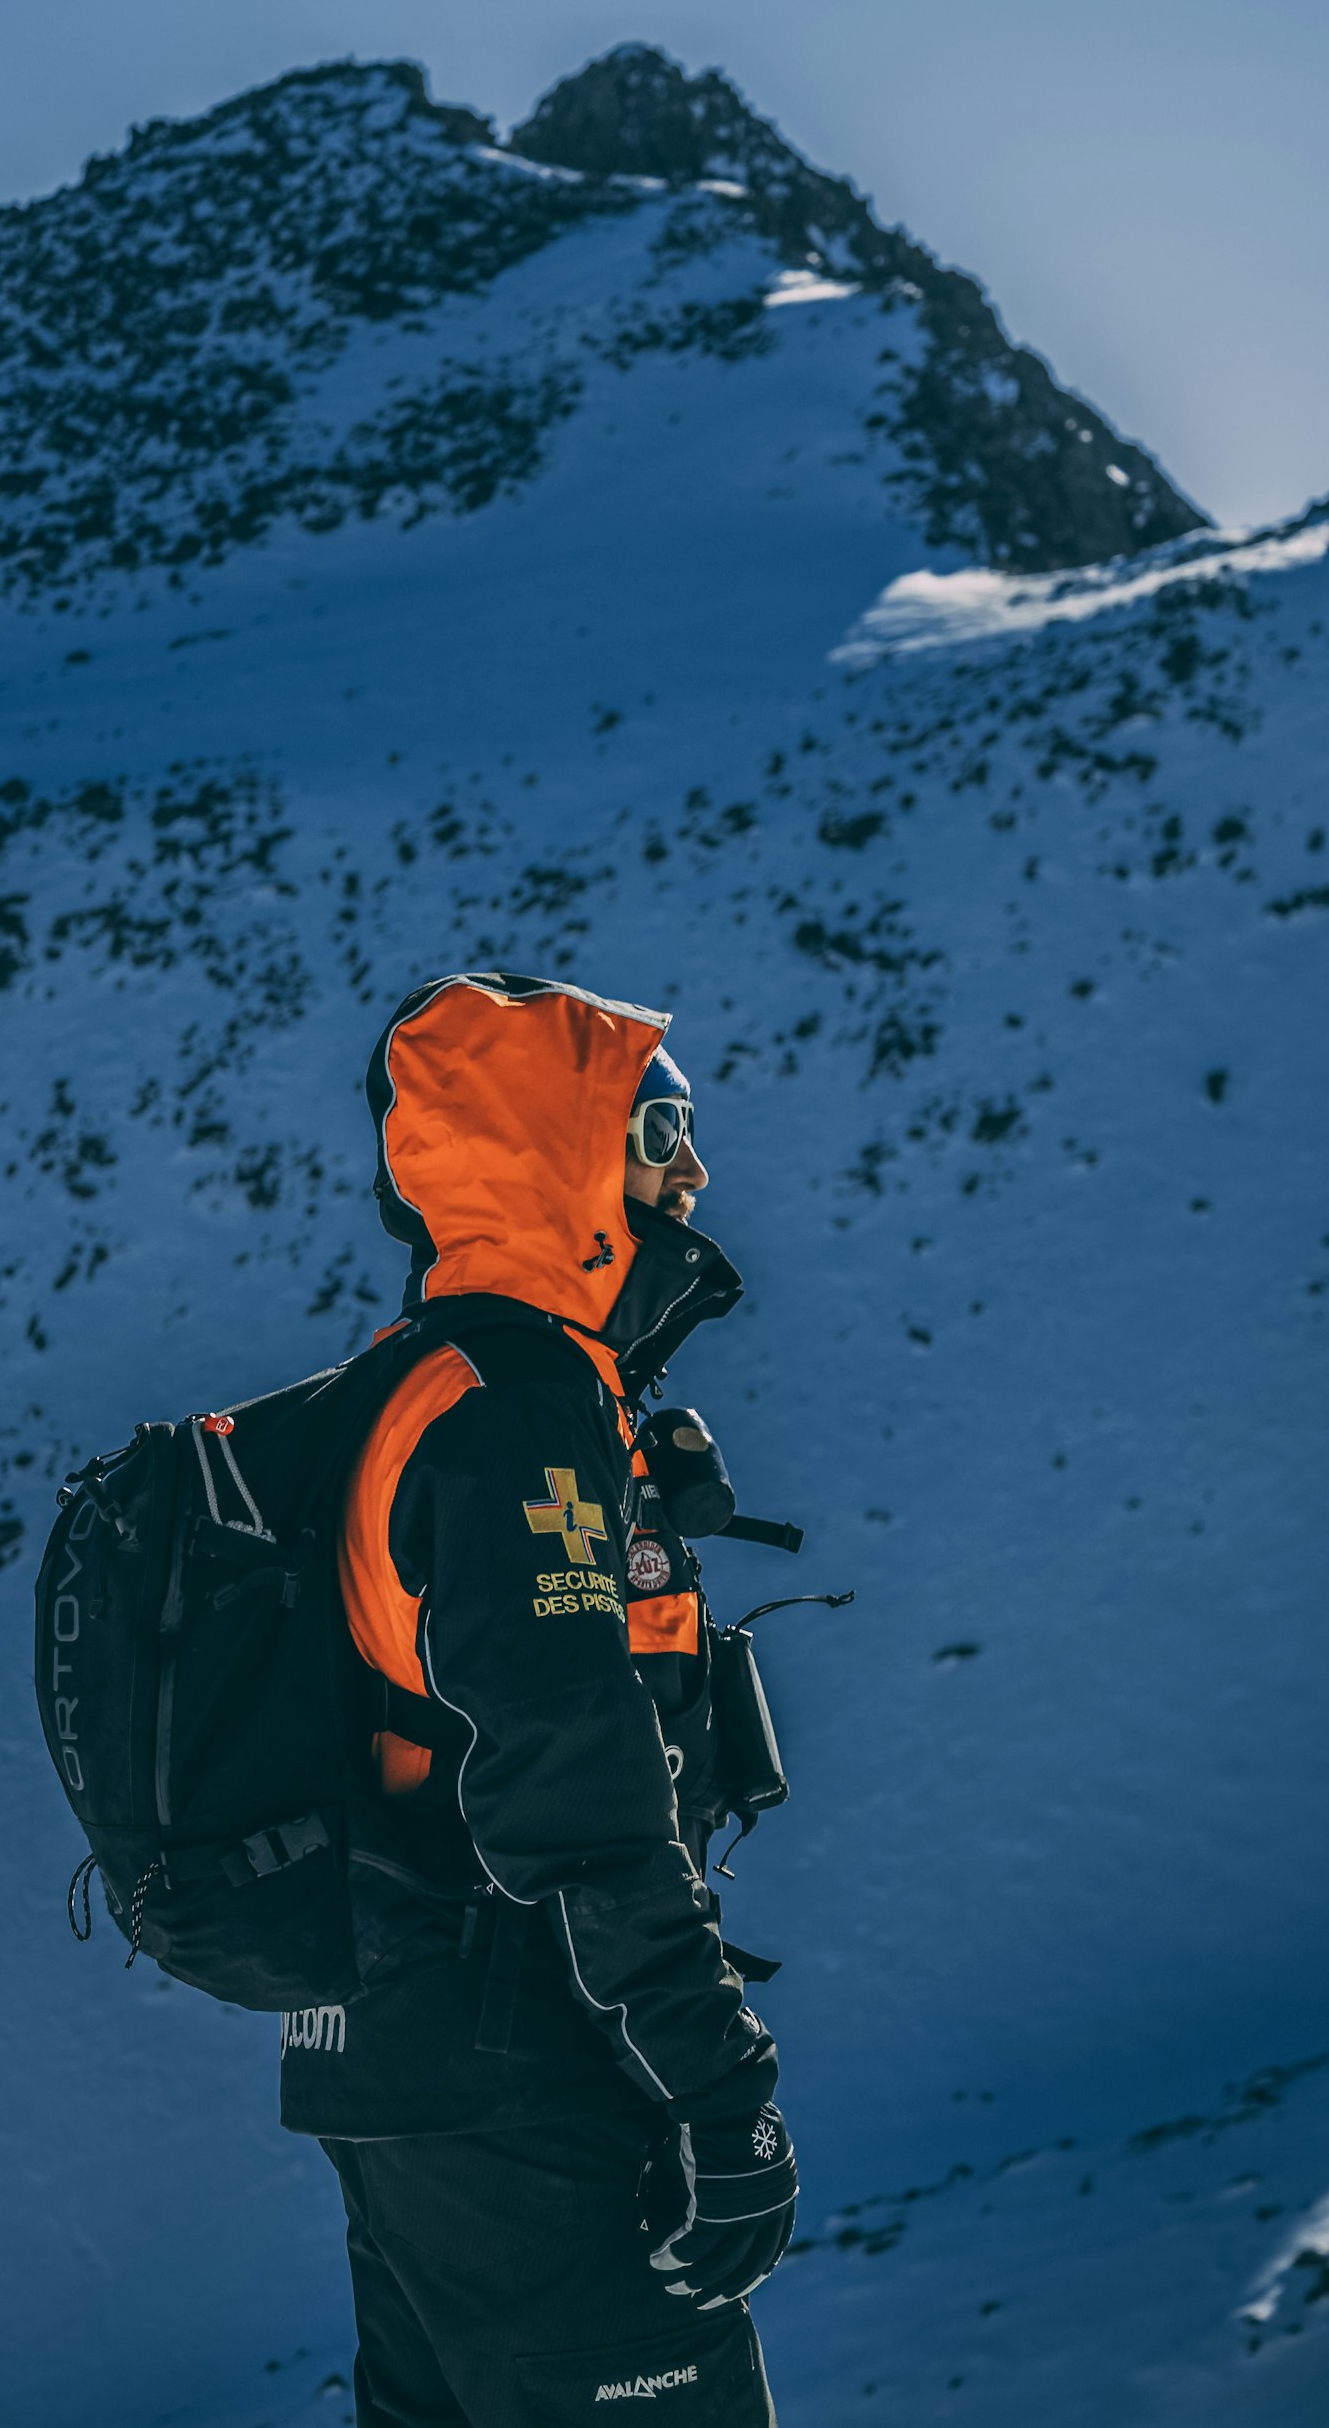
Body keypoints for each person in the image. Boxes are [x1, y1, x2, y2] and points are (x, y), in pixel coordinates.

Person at [280, 972, 797, 2428]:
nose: (692, 1165)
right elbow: (574, 1784)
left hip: (406, 2059)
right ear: (555, 1146)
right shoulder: (515, 1412)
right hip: (534, 2076)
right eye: (658, 1125)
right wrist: (719, 2091)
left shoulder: (432, 1380)